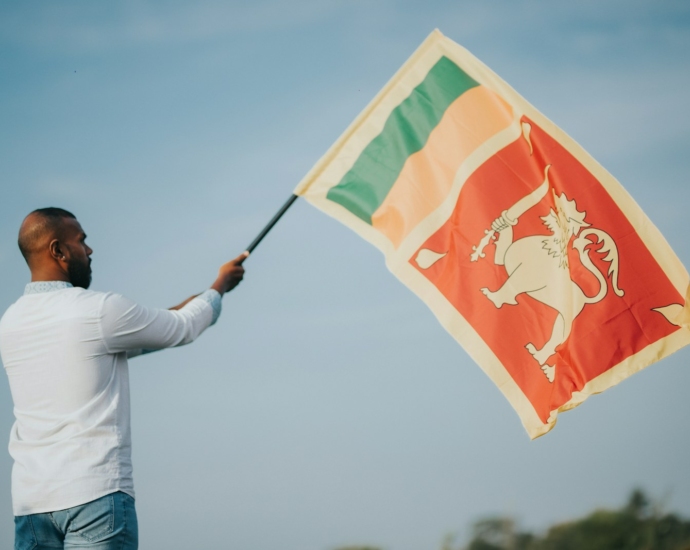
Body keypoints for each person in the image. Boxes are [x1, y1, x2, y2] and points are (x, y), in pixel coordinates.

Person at [0, 207, 248, 549]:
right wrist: (220, 286)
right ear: (58, 250)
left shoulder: (10, 322)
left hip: (31, 505)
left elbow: (149, 331)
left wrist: (199, 297)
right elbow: (182, 327)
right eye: (81, 241)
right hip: (94, 497)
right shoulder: (98, 309)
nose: (89, 250)